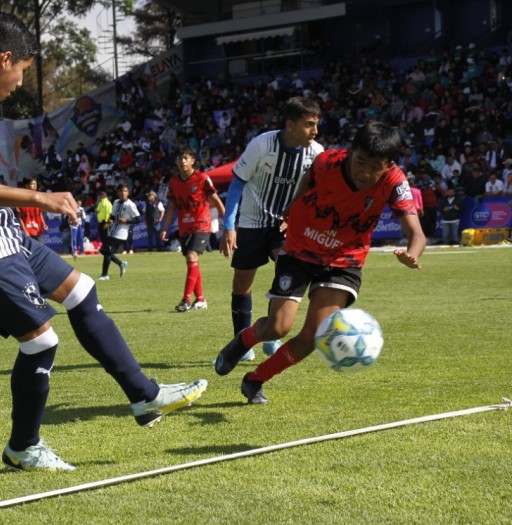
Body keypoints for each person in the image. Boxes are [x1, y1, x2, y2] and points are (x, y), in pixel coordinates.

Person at [0, 12, 207, 472]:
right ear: (5, 59)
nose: (20, 81)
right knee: (40, 343)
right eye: (22, 68)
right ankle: (23, 447)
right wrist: (38, 197)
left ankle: (144, 396)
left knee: (82, 291)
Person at [214, 122, 425, 405]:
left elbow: (417, 233)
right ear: (351, 153)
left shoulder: (395, 182)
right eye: (360, 161)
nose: (365, 172)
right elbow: (308, 180)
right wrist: (290, 209)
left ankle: (255, 379)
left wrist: (413, 253)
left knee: (314, 335)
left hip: (344, 259)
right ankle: (244, 340)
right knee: (278, 327)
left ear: (389, 165)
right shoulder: (327, 162)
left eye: (375, 166)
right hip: (301, 246)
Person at [220, 96, 323, 359]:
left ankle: (271, 334)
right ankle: (241, 345)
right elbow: (237, 184)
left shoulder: (317, 153)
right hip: (252, 223)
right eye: (309, 124)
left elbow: (316, 193)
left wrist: (299, 217)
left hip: (285, 226)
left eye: (317, 124)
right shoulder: (262, 145)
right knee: (242, 284)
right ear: (290, 125)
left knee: (287, 269)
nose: (315, 130)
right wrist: (229, 226)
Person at [161, 144, 225, 312]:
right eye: (180, 158)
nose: (182, 161)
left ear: (192, 161)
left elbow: (216, 200)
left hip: (201, 224)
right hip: (184, 227)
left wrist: (230, 223)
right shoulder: (173, 182)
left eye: (186, 158)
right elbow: (172, 206)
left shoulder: (202, 178)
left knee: (191, 256)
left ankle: (186, 300)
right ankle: (201, 299)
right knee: (192, 262)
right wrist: (165, 227)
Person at [98, 183, 137, 280]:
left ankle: (105, 275)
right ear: (118, 193)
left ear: (128, 193)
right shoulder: (115, 202)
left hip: (121, 233)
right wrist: (109, 221)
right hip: (112, 231)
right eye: (121, 191)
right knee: (103, 250)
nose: (123, 193)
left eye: (125, 191)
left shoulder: (130, 205)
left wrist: (126, 221)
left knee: (107, 251)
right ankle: (121, 263)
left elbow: (138, 219)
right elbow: (113, 216)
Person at [16, 177, 48, 243]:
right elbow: (19, 218)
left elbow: (40, 213)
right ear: (26, 185)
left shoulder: (38, 198)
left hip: (38, 231)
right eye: (32, 184)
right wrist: (25, 231)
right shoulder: (20, 199)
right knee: (29, 252)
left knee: (40, 250)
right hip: (27, 231)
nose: (35, 185)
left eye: (35, 184)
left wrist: (44, 224)